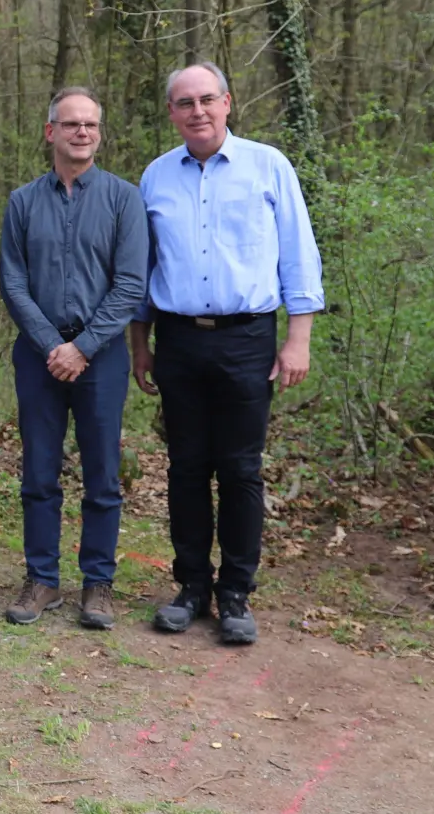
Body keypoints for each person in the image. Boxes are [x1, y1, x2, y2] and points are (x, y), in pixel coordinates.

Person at [128, 62, 324, 645]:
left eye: (207, 100)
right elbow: (143, 271)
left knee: (240, 468)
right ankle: (190, 586)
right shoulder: (156, 177)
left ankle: (235, 592)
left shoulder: (269, 167)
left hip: (247, 338)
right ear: (172, 113)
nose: (198, 111)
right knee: (187, 467)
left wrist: (299, 337)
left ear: (228, 102)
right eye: (185, 103)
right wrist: (141, 346)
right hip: (179, 338)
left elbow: (298, 254)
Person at [0, 87, 148, 629]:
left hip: (102, 357)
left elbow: (131, 284)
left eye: (90, 125)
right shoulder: (22, 202)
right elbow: (13, 283)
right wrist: (51, 346)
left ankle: (98, 584)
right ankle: (41, 579)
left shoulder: (123, 200)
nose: (81, 132)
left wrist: (82, 347)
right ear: (50, 132)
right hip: (39, 356)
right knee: (38, 471)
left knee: (102, 473)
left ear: (99, 134)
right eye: (70, 124)